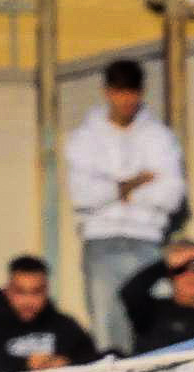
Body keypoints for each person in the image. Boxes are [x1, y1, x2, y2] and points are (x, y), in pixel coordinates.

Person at [60, 59, 185, 346]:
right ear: (107, 92)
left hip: (148, 241)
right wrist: (136, 182)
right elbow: (82, 196)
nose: (126, 100)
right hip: (101, 241)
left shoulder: (160, 137)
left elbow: (172, 196)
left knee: (152, 328)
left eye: (132, 92)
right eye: (119, 92)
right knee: (108, 331)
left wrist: (114, 189)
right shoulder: (84, 137)